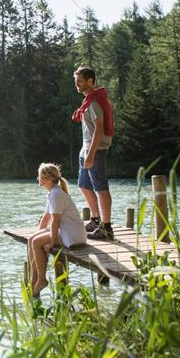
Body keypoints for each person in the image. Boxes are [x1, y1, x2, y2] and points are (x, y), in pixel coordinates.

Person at [27, 163, 86, 296]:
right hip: (66, 232)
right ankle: (35, 277)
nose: (37, 178)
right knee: (32, 239)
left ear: (46, 178)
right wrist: (38, 232)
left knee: (36, 242)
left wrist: (52, 242)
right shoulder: (52, 193)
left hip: (72, 236)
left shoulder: (56, 194)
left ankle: (41, 279)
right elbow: (46, 218)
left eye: (39, 175)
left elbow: (56, 221)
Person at [72, 66, 115, 240]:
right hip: (87, 148)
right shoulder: (88, 101)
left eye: (80, 81)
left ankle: (106, 228)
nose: (77, 84)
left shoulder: (95, 101)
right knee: (84, 185)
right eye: (76, 81)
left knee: (100, 188)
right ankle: (95, 220)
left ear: (90, 81)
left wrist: (90, 154)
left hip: (95, 150)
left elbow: (99, 128)